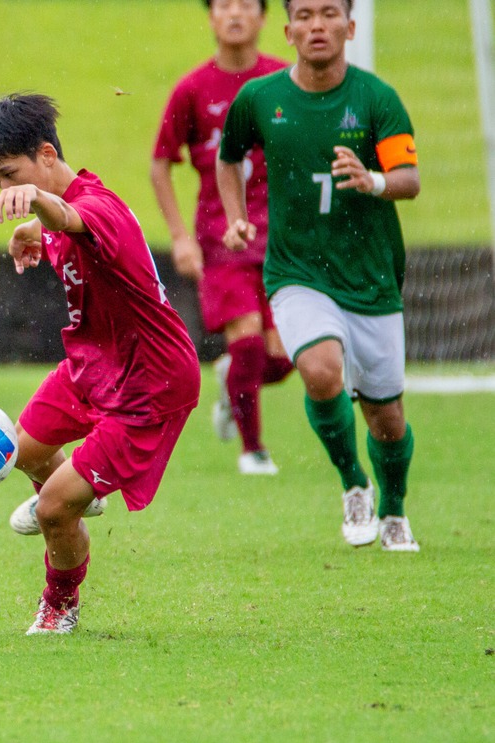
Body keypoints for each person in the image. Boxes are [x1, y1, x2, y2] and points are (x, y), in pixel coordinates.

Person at [0, 95, 201, 634]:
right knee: (15, 452)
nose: (6, 192)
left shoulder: (97, 208)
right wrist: (34, 232)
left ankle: (60, 603)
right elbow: (63, 227)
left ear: (46, 154)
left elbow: (73, 218)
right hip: (93, 364)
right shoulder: (63, 202)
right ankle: (76, 497)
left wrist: (39, 213)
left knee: (50, 509)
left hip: (150, 383)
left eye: (11, 176)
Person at [217, 0, 421, 550]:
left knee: (386, 414)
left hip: (371, 276)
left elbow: (408, 178)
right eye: (304, 15)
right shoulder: (260, 98)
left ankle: (395, 508)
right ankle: (354, 483)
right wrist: (235, 216)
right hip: (295, 270)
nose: (317, 25)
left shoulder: (376, 98)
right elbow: (228, 156)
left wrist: (372, 180)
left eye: (329, 13)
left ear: (349, 27)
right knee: (320, 369)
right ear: (287, 31)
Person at [151, 0, 293, 476]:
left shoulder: (284, 81)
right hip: (221, 240)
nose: (234, 14)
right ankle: (253, 450)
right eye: (224, 5)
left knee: (285, 359)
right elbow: (159, 166)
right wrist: (180, 237)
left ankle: (232, 382)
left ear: (264, 17)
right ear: (211, 17)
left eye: (245, 5)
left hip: (282, 241)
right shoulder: (193, 89)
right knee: (248, 343)